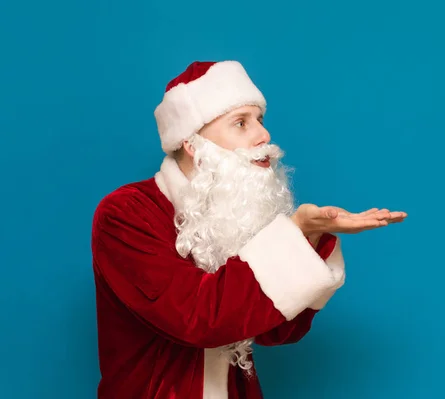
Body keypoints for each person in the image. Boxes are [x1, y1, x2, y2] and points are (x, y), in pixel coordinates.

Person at [91, 60, 407, 399]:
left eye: (260, 120)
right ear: (192, 143)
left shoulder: (233, 212)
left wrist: (309, 237)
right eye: (240, 123)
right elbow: (199, 319)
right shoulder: (125, 214)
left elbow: (278, 331)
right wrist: (293, 233)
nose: (263, 135)